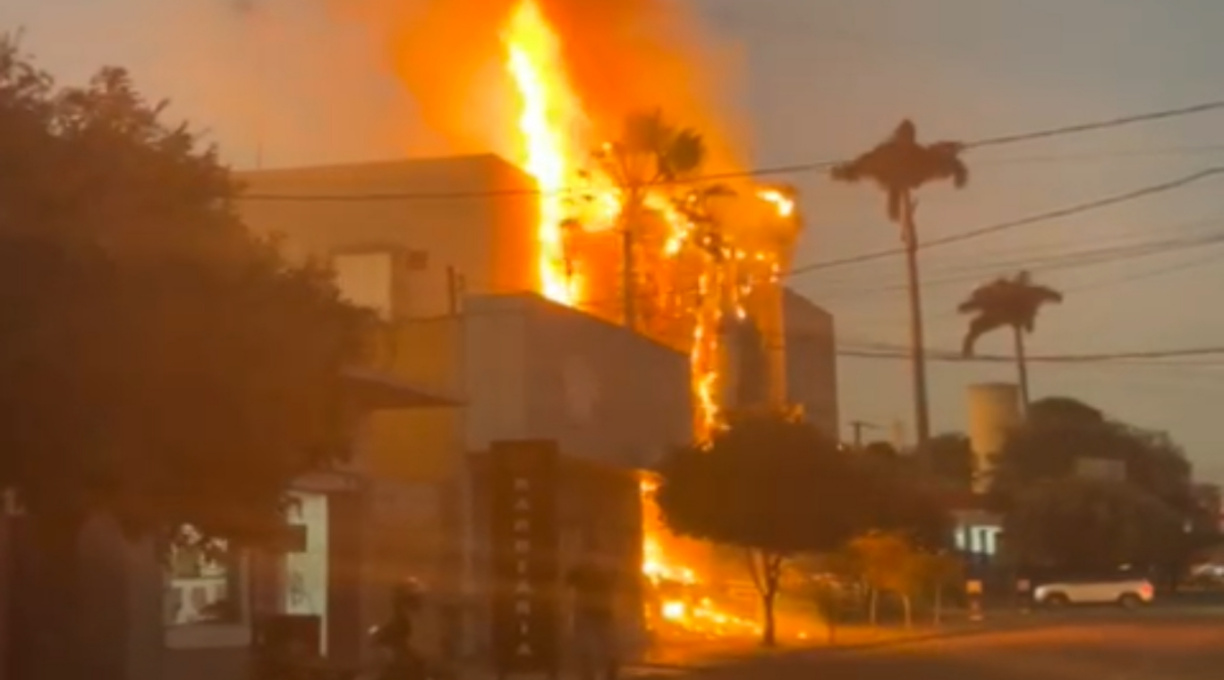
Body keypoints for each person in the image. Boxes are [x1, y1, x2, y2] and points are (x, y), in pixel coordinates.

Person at [566, 539, 619, 680]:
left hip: (586, 610)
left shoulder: (582, 568)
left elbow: (568, 581)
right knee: (605, 643)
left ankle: (590, 674)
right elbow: (615, 582)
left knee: (585, 644)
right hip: (603, 610)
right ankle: (609, 670)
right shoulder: (607, 567)